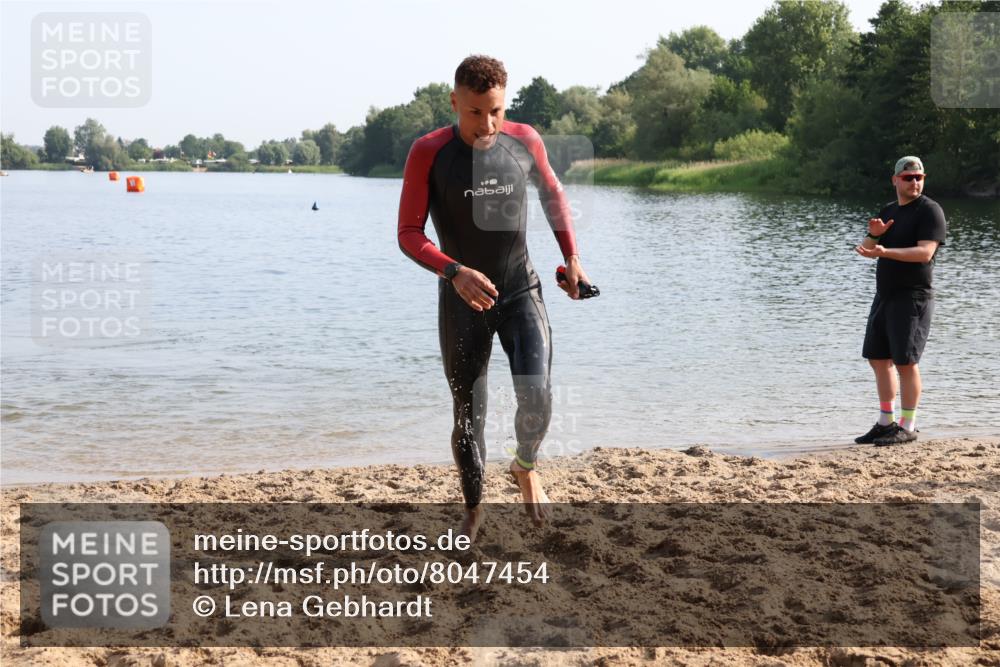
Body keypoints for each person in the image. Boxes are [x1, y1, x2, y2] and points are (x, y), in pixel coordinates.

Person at [397, 55, 592, 539]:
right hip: (464, 297)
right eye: (475, 112)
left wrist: (572, 258)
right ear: (454, 102)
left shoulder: (523, 141)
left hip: (521, 289)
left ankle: (525, 466)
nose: (487, 124)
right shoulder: (429, 152)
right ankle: (474, 508)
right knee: (468, 417)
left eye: (496, 111)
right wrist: (453, 271)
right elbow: (407, 233)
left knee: (538, 396)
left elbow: (553, 196)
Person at [854, 156, 947, 446]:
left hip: (913, 297)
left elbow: (924, 254)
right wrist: (874, 236)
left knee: (906, 361)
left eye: (919, 177)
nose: (915, 182)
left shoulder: (930, 211)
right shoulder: (889, 211)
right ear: (895, 180)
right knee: (878, 359)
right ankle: (886, 422)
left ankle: (908, 425)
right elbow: (866, 249)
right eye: (908, 178)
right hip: (885, 295)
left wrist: (884, 251)